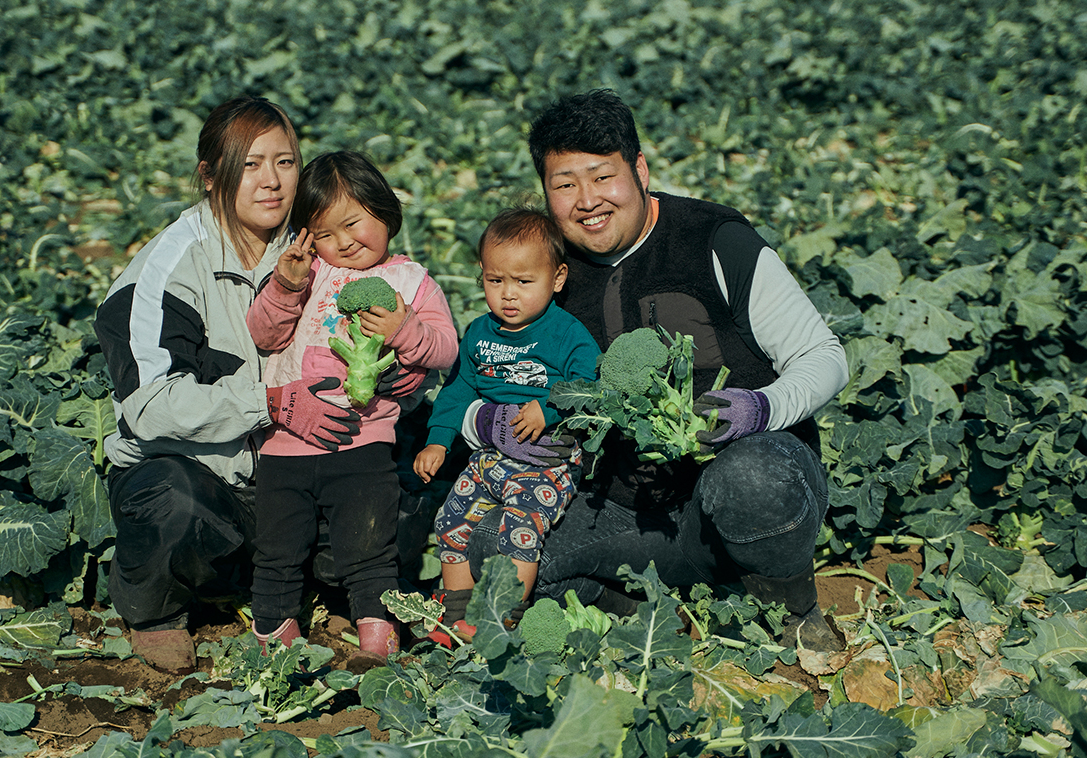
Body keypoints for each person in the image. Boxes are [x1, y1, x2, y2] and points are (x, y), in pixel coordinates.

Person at [466, 90, 850, 651]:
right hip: (627, 511)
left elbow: (825, 357)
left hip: (745, 481)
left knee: (753, 482)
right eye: (564, 184)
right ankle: (642, 609)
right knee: (487, 550)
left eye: (603, 177)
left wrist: (758, 408)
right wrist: (489, 423)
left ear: (639, 170)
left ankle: (790, 609)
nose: (587, 200)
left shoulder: (715, 240)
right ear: (546, 193)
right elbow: (471, 381)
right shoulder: (543, 272)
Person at [94, 96, 363, 673]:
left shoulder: (322, 246)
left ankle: (333, 589)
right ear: (210, 175)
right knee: (171, 502)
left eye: (285, 163)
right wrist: (268, 403)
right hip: (209, 479)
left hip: (296, 472)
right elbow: (150, 407)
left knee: (396, 483)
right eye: (250, 164)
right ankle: (156, 611)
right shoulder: (163, 272)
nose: (271, 182)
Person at [245, 151, 458, 664]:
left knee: (370, 547)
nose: (342, 242)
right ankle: (274, 641)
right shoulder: (305, 274)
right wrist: (287, 286)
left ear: (384, 211)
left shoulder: (411, 282)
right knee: (276, 549)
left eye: (352, 223)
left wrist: (403, 330)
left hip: (364, 444)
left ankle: (376, 640)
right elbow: (263, 334)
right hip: (284, 445)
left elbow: (447, 348)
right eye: (323, 233)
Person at [413, 208, 600, 644]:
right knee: (451, 519)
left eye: (523, 281)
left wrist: (549, 408)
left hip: (545, 461)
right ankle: (455, 612)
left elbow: (591, 382)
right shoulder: (480, 333)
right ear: (481, 276)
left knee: (519, 530)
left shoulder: (567, 334)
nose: (508, 295)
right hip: (488, 456)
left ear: (557, 279)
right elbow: (458, 390)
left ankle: (502, 616)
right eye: (495, 281)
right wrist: (438, 441)